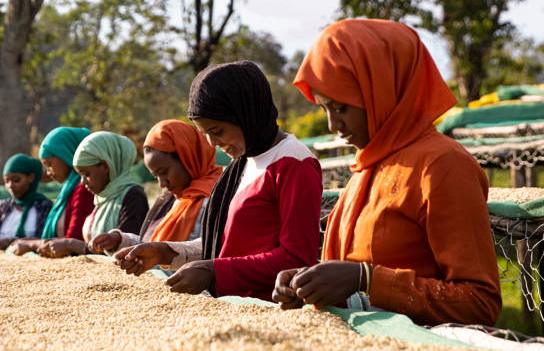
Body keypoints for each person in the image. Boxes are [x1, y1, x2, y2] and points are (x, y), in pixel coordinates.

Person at [272, 18, 502, 326]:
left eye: (341, 108)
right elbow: (357, 275)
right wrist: (311, 283)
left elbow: (478, 303)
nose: (332, 125)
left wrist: (367, 279)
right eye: (324, 109)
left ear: (382, 90)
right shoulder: (369, 166)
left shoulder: (443, 166)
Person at [115, 61, 323, 301]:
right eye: (206, 134)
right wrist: (164, 252)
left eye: (218, 131)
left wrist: (215, 272)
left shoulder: (293, 163)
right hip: (231, 304)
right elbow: (222, 246)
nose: (212, 143)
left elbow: (297, 258)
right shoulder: (242, 163)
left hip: (268, 308)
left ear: (246, 114)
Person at [89, 119, 221, 254]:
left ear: (188, 158)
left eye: (164, 172)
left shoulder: (216, 199)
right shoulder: (172, 199)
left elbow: (209, 252)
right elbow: (151, 243)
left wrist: (162, 255)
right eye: (155, 176)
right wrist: (120, 240)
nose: (162, 183)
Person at [43, 131, 148, 257]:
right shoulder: (102, 198)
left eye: (86, 174)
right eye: (80, 175)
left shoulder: (132, 196)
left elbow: (127, 248)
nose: (82, 182)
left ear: (105, 166)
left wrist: (72, 244)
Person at [8, 126, 94, 256]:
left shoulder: (84, 189)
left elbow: (71, 242)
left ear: (67, 154)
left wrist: (33, 244)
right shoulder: (68, 190)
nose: (48, 172)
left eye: (49, 164)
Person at [0, 154, 53, 252]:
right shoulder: (5, 206)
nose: (10, 186)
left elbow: (44, 239)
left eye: (16, 180)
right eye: (6, 181)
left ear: (31, 177)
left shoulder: (44, 206)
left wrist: (10, 242)